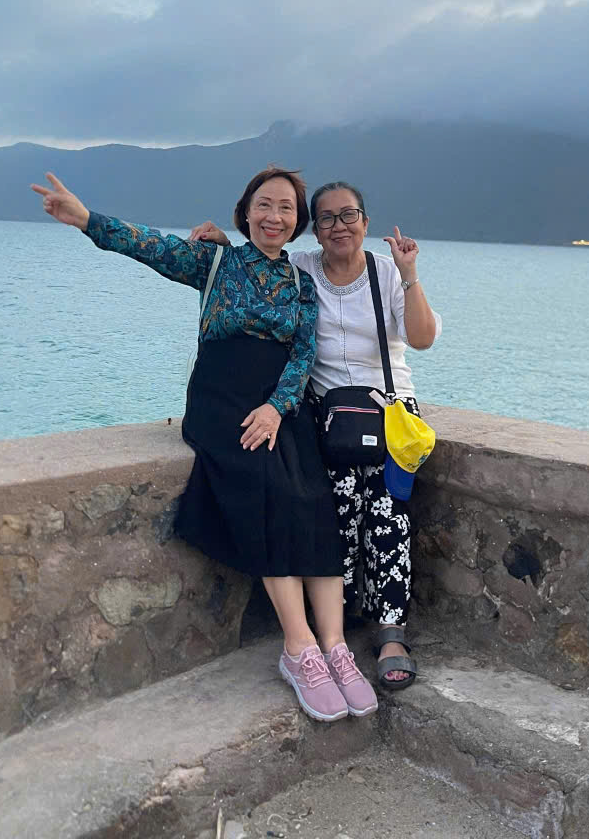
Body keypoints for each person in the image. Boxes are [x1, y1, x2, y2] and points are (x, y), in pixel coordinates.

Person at [30, 167, 377, 722]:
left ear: (296, 222)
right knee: (267, 490)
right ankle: (299, 648)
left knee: (313, 501)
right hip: (222, 405)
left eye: (286, 208)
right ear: (246, 212)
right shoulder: (214, 262)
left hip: (279, 408)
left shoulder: (301, 284)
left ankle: (335, 647)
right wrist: (86, 219)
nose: (274, 216)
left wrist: (278, 406)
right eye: (264, 205)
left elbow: (303, 354)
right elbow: (149, 246)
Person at [190, 180, 441, 689]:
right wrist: (221, 244)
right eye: (326, 218)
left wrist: (410, 274)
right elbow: (261, 257)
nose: (338, 226)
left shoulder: (387, 272)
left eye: (348, 215)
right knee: (336, 515)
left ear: (365, 222)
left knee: (388, 516)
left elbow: (422, 338)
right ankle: (338, 630)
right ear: (315, 228)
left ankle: (391, 634)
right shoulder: (302, 269)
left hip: (390, 416)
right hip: (329, 415)